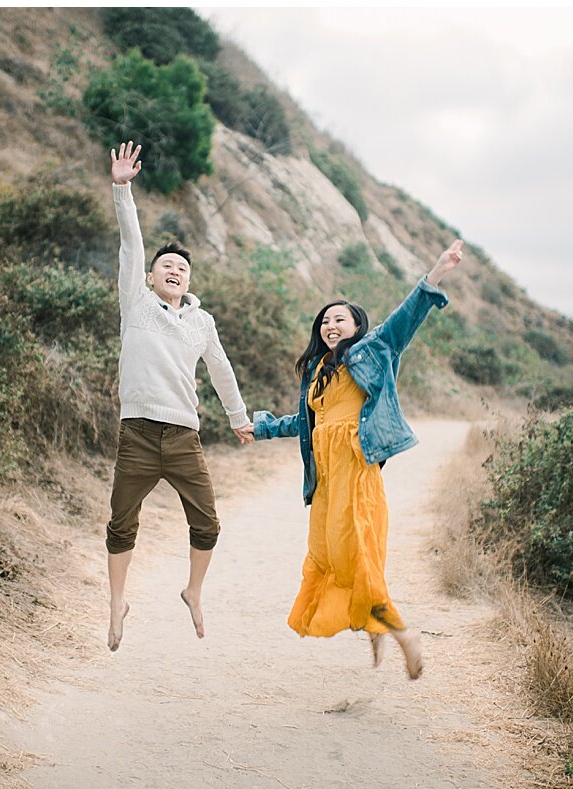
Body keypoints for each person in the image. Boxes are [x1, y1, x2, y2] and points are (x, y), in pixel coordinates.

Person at [252, 239, 464, 679]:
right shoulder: (317, 372)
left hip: (357, 477)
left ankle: (403, 633)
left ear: (356, 325)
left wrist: (436, 273)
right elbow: (307, 423)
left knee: (362, 559)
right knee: (335, 560)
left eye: (339, 319)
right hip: (327, 484)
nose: (331, 325)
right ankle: (375, 629)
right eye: (325, 320)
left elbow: (406, 318)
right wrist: (261, 427)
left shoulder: (374, 350)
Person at [105, 141, 255, 652]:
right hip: (139, 434)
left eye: (182, 268)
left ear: (189, 280)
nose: (173, 269)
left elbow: (221, 369)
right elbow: (130, 244)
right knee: (121, 523)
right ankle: (117, 603)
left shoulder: (202, 321)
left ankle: (193, 591)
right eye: (164, 265)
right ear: (150, 277)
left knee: (208, 523)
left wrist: (237, 418)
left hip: (185, 435)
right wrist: (122, 190)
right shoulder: (136, 303)